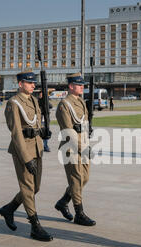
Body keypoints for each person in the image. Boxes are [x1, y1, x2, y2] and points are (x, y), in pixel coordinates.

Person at [0, 70, 52, 242]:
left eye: (34, 82)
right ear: (20, 84)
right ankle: (35, 226)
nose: (33, 85)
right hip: (23, 150)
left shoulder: (34, 100)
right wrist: (26, 157)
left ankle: (9, 208)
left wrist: (43, 131)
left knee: (35, 187)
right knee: (28, 188)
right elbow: (16, 133)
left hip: (36, 147)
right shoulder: (14, 103)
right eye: (29, 82)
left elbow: (35, 123)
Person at [55, 72, 95, 226]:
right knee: (76, 179)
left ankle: (63, 201)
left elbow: (82, 124)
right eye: (79, 84)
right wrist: (82, 148)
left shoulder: (81, 102)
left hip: (83, 144)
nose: (82, 87)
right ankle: (79, 213)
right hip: (70, 147)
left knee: (84, 178)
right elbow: (68, 130)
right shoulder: (65, 104)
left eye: (82, 84)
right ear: (71, 86)